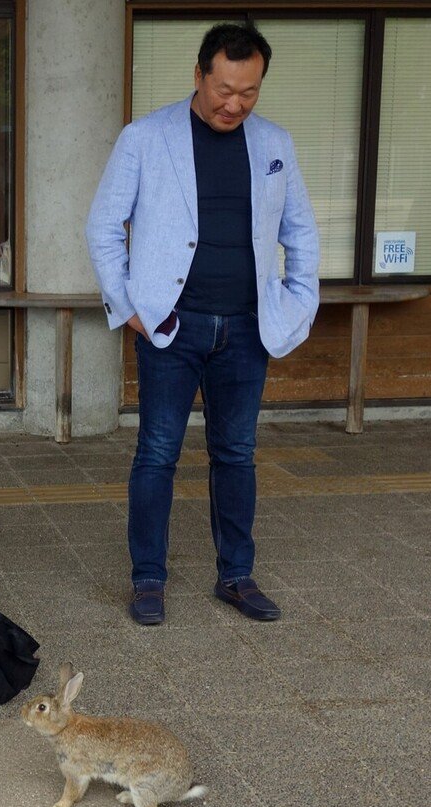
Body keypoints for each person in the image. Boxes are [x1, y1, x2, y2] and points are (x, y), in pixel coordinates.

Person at [85, 24, 319, 626]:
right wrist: (129, 307)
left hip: (247, 327)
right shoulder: (144, 138)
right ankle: (147, 579)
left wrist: (298, 302)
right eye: (223, 89)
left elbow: (301, 232)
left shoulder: (275, 144)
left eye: (248, 92)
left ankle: (236, 575)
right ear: (198, 76)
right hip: (171, 324)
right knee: (157, 453)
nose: (233, 103)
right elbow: (104, 227)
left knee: (237, 453)